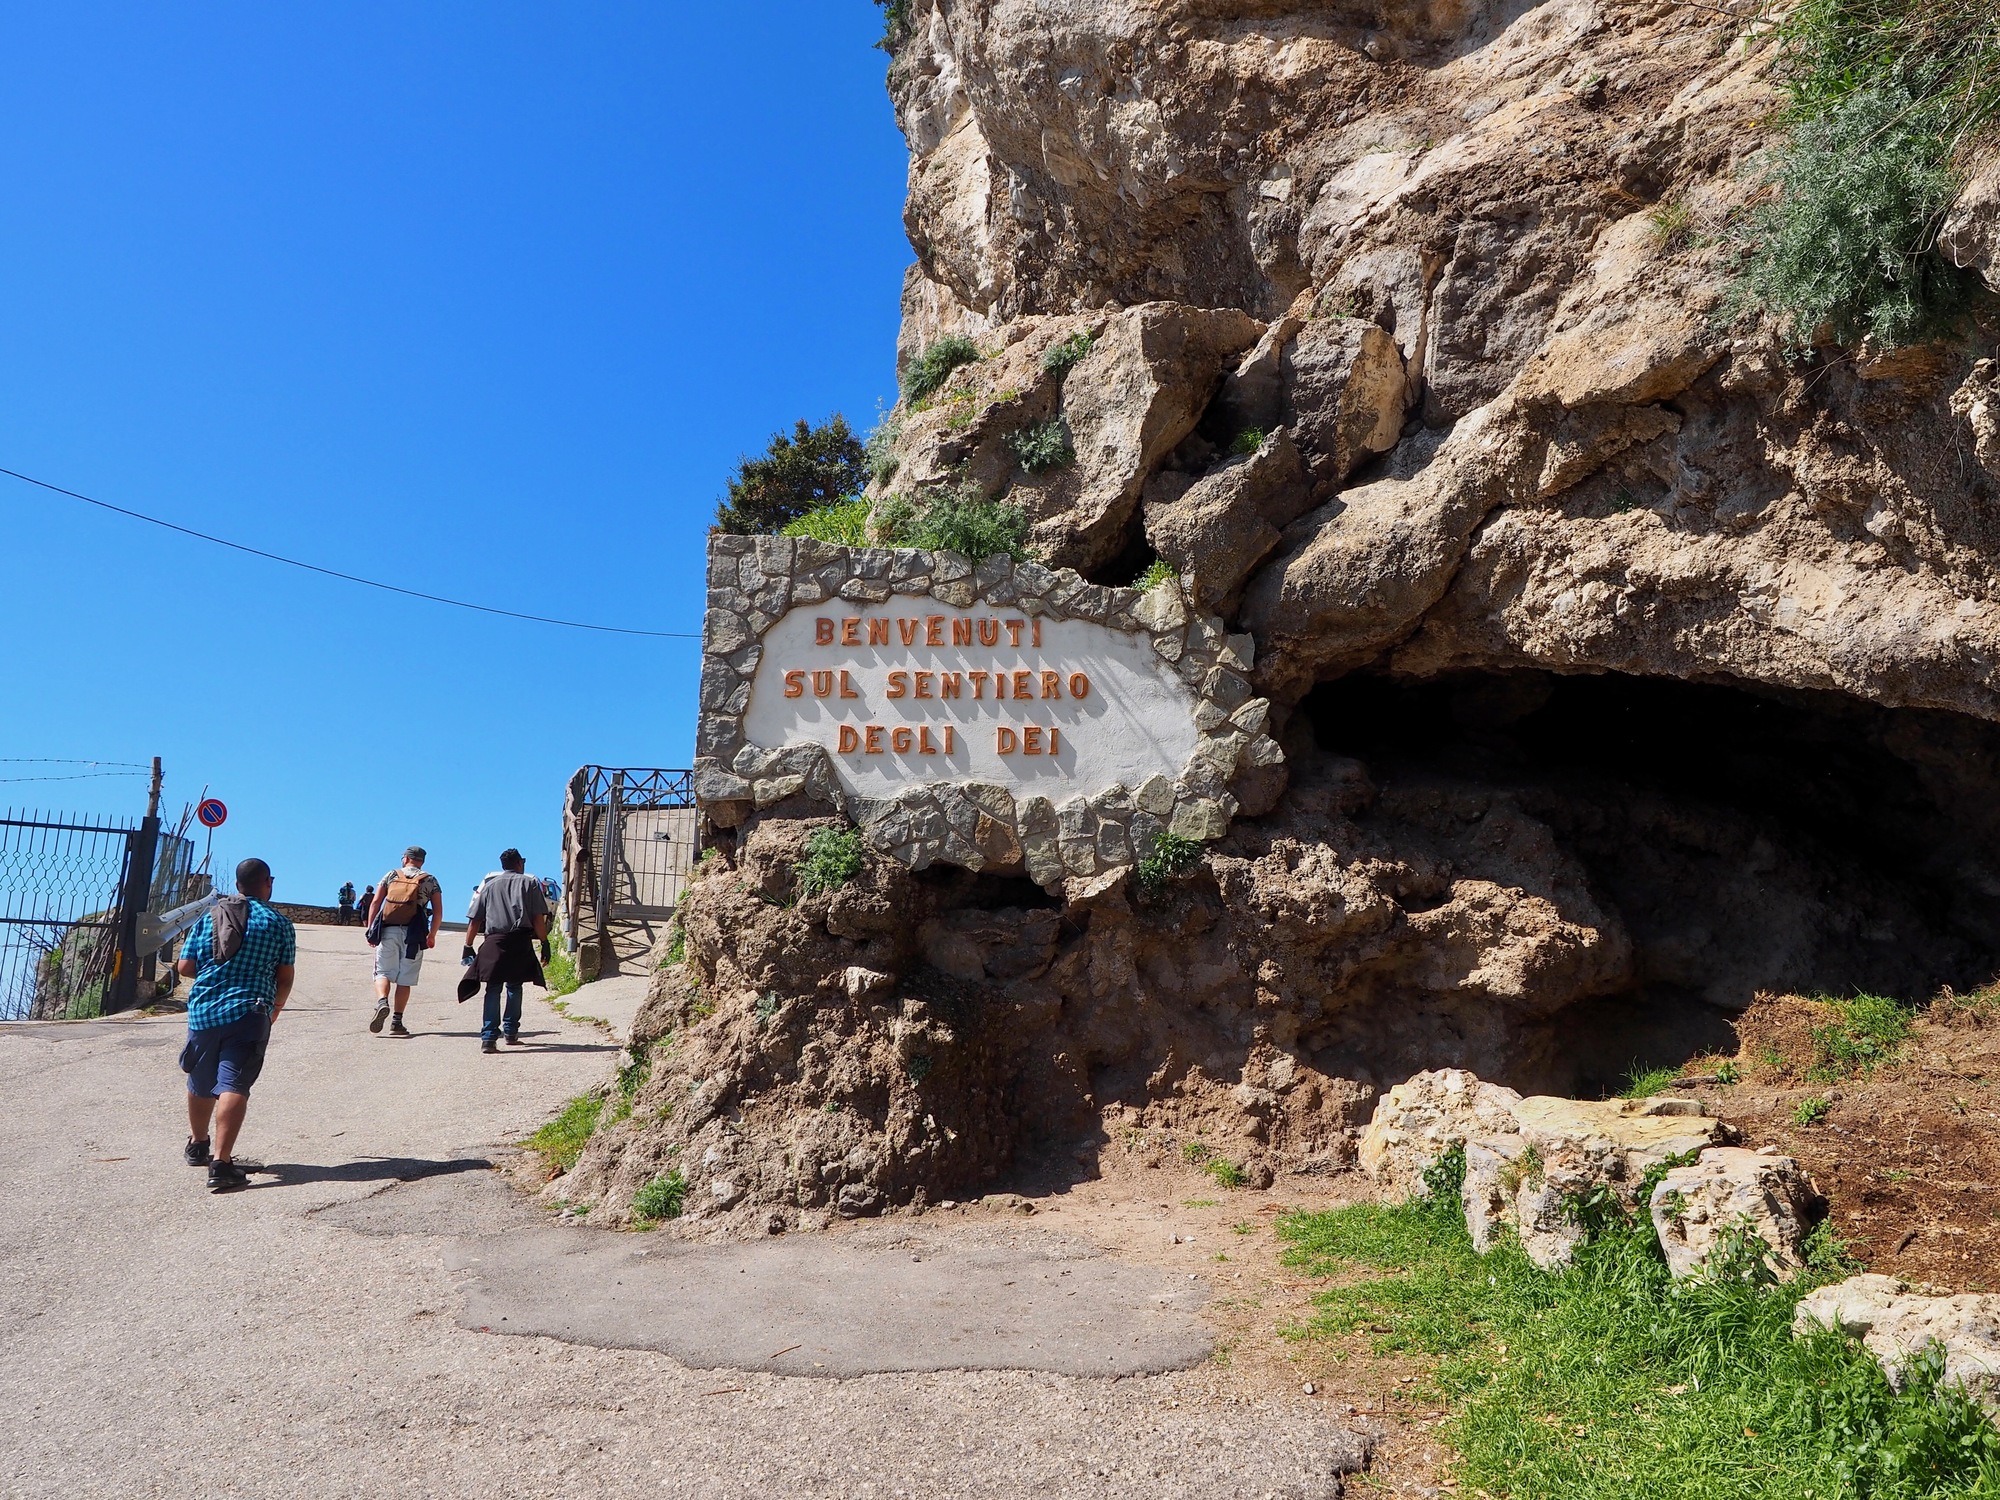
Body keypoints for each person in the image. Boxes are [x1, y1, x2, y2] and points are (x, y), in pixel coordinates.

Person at [175, 857, 296, 1193]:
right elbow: (284, 976)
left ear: (238, 884)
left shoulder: (209, 916)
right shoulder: (278, 923)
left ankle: (198, 1145)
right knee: (233, 1084)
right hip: (249, 1012)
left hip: (203, 1013)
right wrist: (275, 1008)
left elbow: (185, 966)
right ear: (267, 883)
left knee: (200, 1082)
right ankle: (221, 1163)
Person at [457, 848, 550, 1053]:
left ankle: (488, 1038)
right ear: (519, 863)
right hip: (519, 941)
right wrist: (544, 942)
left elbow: (475, 920)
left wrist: (468, 945)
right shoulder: (530, 883)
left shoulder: (489, 887)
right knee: (514, 987)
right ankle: (511, 1032)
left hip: (494, 943)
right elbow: (537, 918)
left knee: (493, 988)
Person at [362, 846, 444, 1037]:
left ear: (406, 858)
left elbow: (375, 902)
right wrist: (432, 934)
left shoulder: (391, 875)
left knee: (382, 971)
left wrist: (371, 929)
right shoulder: (430, 880)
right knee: (405, 978)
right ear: (422, 861)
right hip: (415, 934)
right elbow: (438, 911)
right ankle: (397, 1022)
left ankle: (382, 1001)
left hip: (389, 929)